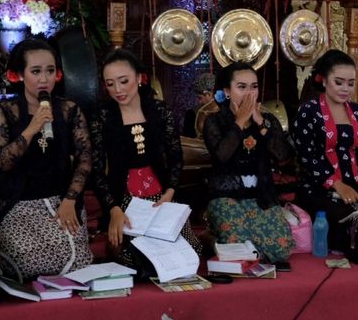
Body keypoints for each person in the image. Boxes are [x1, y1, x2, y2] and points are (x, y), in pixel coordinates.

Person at [0, 38, 93, 279]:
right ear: (20, 75)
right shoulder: (4, 112)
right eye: (36, 71)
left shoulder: (69, 109)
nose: (44, 79)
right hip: (19, 201)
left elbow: (85, 158)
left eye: (50, 71)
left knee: (77, 260)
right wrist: (31, 128)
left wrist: (70, 200)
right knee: (26, 265)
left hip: (60, 198)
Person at [89, 49, 201, 273]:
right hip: (124, 199)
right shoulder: (102, 116)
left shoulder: (159, 110)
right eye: (110, 84)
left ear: (139, 78)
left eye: (123, 81)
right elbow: (97, 169)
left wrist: (170, 192)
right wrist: (113, 209)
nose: (118, 90)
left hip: (161, 196)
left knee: (192, 252)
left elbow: (175, 157)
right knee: (137, 261)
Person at [202, 62, 294, 264]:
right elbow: (222, 156)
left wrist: (260, 122)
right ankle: (211, 238)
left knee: (281, 250)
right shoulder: (215, 121)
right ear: (227, 91)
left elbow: (283, 156)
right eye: (241, 87)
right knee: (238, 250)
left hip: (262, 196)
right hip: (227, 197)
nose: (249, 93)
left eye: (254, 87)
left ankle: (246, 245)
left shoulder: (268, 119)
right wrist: (240, 122)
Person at [290, 49, 358, 252]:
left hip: (355, 187)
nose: (345, 89)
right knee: (346, 225)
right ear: (323, 80)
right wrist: (337, 185)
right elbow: (307, 157)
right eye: (339, 82)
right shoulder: (308, 111)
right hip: (318, 188)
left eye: (350, 83)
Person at [182, 72, 218, 139]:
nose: (199, 101)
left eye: (200, 98)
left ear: (208, 94)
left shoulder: (226, 112)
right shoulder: (192, 114)